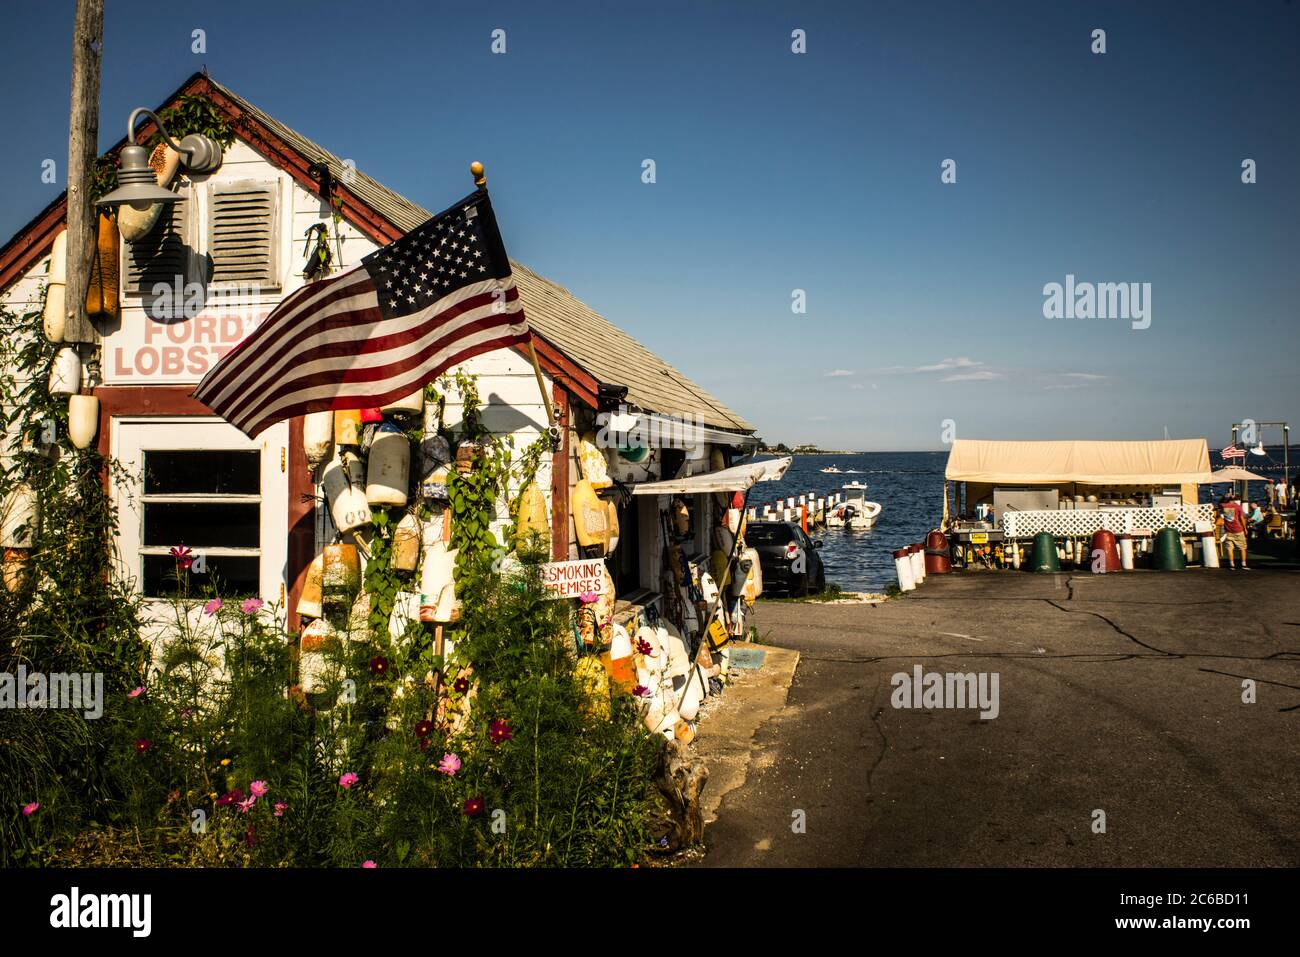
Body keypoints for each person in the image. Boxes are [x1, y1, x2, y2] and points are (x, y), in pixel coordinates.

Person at [1220, 492, 1249, 570]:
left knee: (1230, 548)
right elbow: (1242, 519)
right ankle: (1243, 564)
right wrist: (1245, 528)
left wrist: (1225, 497)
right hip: (1238, 529)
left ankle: (1231, 564)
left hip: (1228, 530)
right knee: (1242, 547)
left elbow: (1220, 502)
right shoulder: (1238, 507)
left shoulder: (1223, 506)